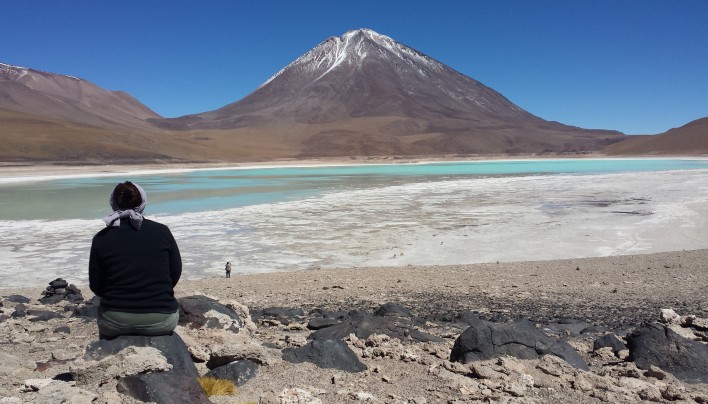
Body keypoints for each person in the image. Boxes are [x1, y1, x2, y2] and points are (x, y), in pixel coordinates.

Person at [89, 181, 182, 339]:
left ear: (113, 203)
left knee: (105, 319)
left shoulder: (101, 238)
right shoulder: (162, 232)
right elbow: (174, 272)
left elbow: (96, 285)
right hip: (161, 319)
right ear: (143, 203)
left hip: (114, 321)